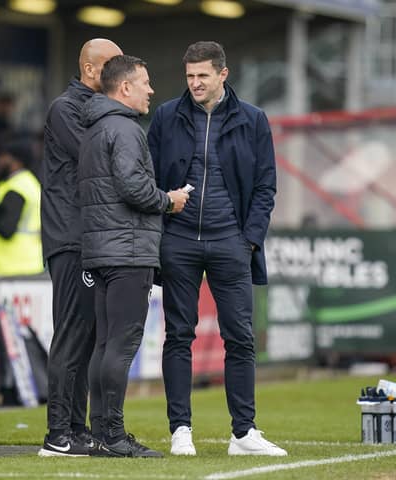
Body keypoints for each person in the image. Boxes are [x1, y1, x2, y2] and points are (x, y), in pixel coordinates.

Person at [147, 41, 286, 456]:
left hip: (231, 241)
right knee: (178, 335)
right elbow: (148, 177)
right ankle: (180, 431)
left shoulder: (254, 120)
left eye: (202, 76)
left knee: (241, 337)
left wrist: (248, 240)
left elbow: (265, 187)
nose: (194, 83)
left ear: (223, 74)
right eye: (189, 76)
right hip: (179, 240)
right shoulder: (166, 116)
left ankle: (244, 433)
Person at [78, 55, 189, 458]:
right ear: (124, 88)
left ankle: (102, 432)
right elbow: (133, 187)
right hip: (127, 251)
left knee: (105, 344)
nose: (151, 90)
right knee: (120, 346)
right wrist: (169, 200)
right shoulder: (124, 128)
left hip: (102, 250)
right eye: (144, 82)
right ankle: (113, 436)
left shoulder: (94, 128)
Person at [38, 38, 123, 457]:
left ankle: (76, 428)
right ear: (91, 71)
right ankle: (57, 434)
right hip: (70, 236)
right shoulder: (65, 109)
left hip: (90, 235)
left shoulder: (94, 109)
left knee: (87, 337)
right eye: (113, 65)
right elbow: (98, 157)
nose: (120, 73)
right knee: (72, 334)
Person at [0, 138, 43, 277]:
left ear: (16, 161)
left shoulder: (18, 187)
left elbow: (6, 228)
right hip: (19, 268)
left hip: (14, 271)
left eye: (4, 156)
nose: (0, 161)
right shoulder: (24, 183)